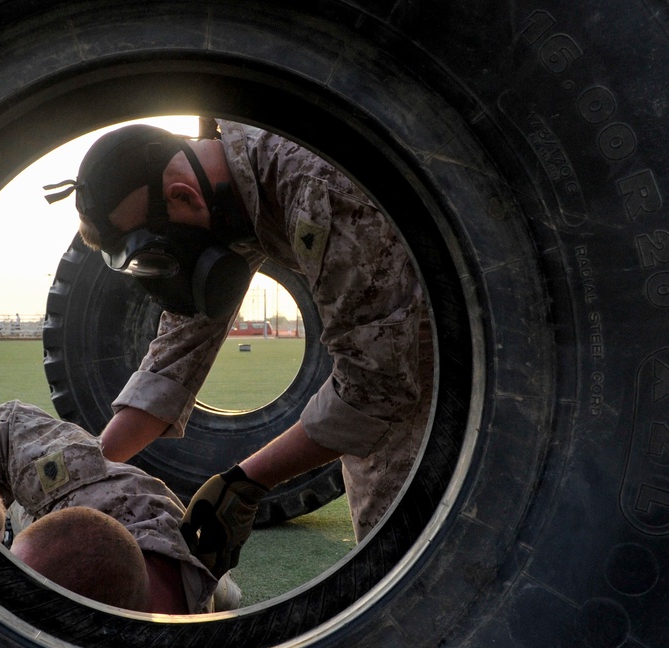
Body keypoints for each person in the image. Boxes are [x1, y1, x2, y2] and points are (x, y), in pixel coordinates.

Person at [44, 120, 433, 578]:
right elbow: (175, 356)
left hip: (482, 361)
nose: (165, 271)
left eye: (158, 254)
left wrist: (245, 482)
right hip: (412, 362)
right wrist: (84, 478)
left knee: (406, 561)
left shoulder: (314, 190)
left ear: (184, 196)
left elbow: (378, 384)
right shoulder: (227, 200)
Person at [0, 400, 233, 614]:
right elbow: (6, 427)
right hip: (96, 512)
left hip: (184, 584)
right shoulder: (92, 489)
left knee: (224, 595)